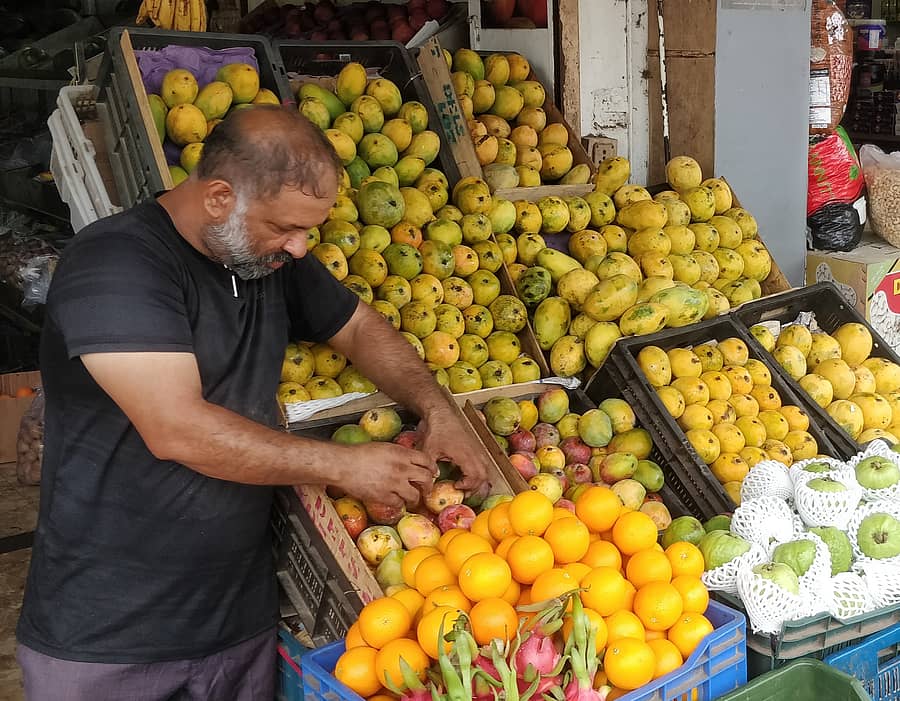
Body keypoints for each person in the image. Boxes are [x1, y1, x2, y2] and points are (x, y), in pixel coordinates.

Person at [16, 105, 491, 700]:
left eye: (309, 231)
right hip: (111, 631)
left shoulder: (262, 255)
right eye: (286, 228)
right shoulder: (117, 262)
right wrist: (345, 464)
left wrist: (436, 408)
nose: (299, 249)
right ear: (219, 197)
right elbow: (176, 428)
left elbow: (357, 326)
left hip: (236, 620)